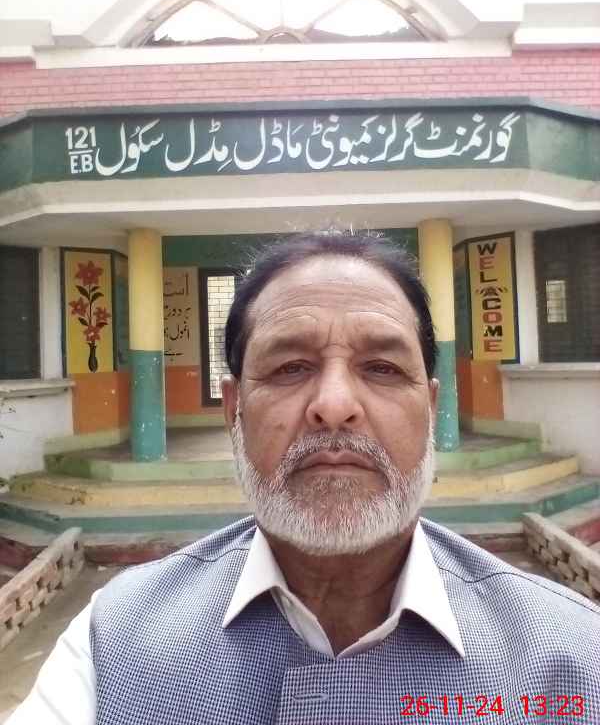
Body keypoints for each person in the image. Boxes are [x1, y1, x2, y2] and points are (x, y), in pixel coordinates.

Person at [7, 228, 600, 725]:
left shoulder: (571, 659)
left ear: (430, 405)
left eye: (382, 367)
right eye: (290, 367)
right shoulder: (114, 644)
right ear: (234, 410)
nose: (334, 405)